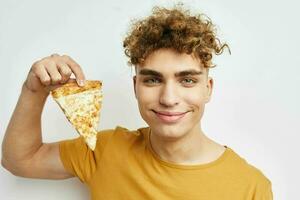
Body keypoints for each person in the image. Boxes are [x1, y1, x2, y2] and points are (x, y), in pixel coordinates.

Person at [1, 5, 273, 200]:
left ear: (208, 89)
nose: (168, 98)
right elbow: (19, 160)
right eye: (153, 80)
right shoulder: (104, 151)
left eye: (187, 80)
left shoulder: (250, 188)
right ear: (135, 86)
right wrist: (34, 91)